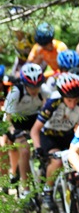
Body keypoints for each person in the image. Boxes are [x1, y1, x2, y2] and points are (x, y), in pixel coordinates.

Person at [30, 72, 79, 206]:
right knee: (56, 162)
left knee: (78, 161)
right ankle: (48, 190)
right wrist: (38, 148)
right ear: (62, 97)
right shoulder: (53, 102)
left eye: (76, 100)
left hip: (68, 136)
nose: (73, 104)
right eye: (69, 100)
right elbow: (35, 130)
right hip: (49, 136)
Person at [2, 62, 46, 196]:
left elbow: (47, 113)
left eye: (37, 86)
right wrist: (14, 133)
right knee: (24, 149)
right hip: (15, 122)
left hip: (33, 121)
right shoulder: (16, 92)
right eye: (31, 87)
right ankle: (25, 190)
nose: (34, 90)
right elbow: (8, 118)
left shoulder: (43, 92)